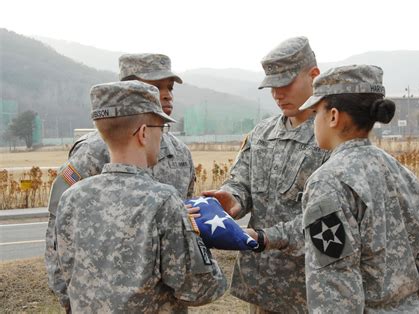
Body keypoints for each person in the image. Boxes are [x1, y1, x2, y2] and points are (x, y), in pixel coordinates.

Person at [54, 80, 226, 313]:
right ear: (144, 133)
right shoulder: (163, 200)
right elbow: (199, 289)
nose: (162, 136)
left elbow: (64, 277)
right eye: (161, 128)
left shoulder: (71, 198)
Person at [298, 64, 419, 313]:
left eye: (315, 112)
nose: (313, 121)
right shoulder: (405, 175)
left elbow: (335, 287)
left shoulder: (328, 182)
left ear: (333, 116)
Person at [203, 36, 329, 313]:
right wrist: (233, 198)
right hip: (263, 285)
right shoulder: (262, 133)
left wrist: (264, 237)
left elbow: (326, 221)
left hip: (311, 289)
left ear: (314, 75)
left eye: (285, 84)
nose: (277, 94)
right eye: (272, 86)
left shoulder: (331, 136)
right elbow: (242, 182)